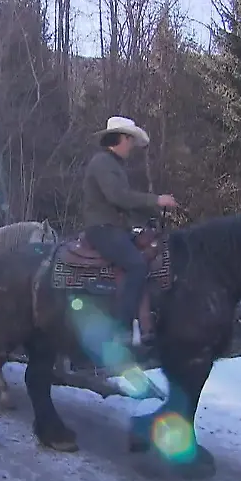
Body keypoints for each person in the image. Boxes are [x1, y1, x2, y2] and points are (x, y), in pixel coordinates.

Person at [82, 116, 179, 345]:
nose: (133, 146)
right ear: (121, 138)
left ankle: (148, 324)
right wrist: (157, 200)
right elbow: (119, 197)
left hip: (116, 228)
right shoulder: (102, 163)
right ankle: (122, 330)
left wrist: (153, 217)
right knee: (136, 265)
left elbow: (123, 205)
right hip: (102, 229)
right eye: (130, 140)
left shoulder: (113, 164)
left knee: (152, 252)